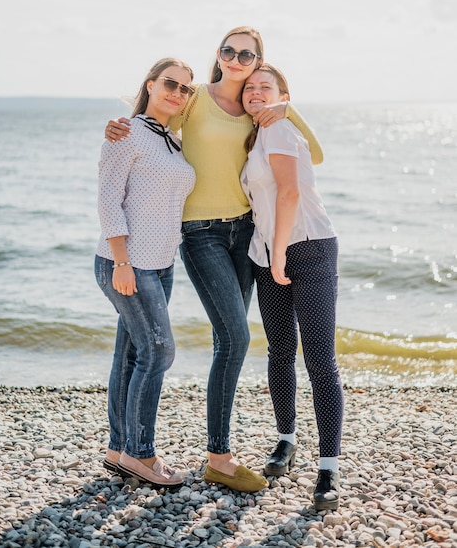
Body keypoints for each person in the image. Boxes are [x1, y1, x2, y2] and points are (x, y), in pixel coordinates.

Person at [104, 26, 324, 493]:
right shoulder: (195, 98)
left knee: (226, 341)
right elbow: (152, 125)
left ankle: (151, 449)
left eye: (248, 53)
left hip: (244, 230)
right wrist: (116, 126)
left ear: (259, 60)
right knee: (236, 336)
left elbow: (316, 155)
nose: (237, 57)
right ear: (219, 56)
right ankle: (216, 456)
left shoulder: (256, 108)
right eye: (229, 49)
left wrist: (286, 107)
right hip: (199, 233)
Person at [240, 64, 344, 510]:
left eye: (267, 87)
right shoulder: (254, 137)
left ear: (283, 96)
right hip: (269, 254)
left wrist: (279, 253)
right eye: (250, 87)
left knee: (320, 361)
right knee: (280, 351)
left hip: (309, 249)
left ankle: (329, 468)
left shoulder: (280, 129)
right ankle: (286, 440)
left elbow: (289, 194)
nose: (257, 93)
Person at [95, 58, 196, 487]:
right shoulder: (127, 133)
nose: (177, 92)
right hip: (128, 264)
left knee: (132, 354)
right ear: (151, 85)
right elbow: (107, 201)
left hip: (161, 263)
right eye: (169, 83)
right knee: (158, 353)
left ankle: (118, 449)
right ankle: (141, 453)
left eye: (185, 89)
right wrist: (121, 262)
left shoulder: (171, 139)